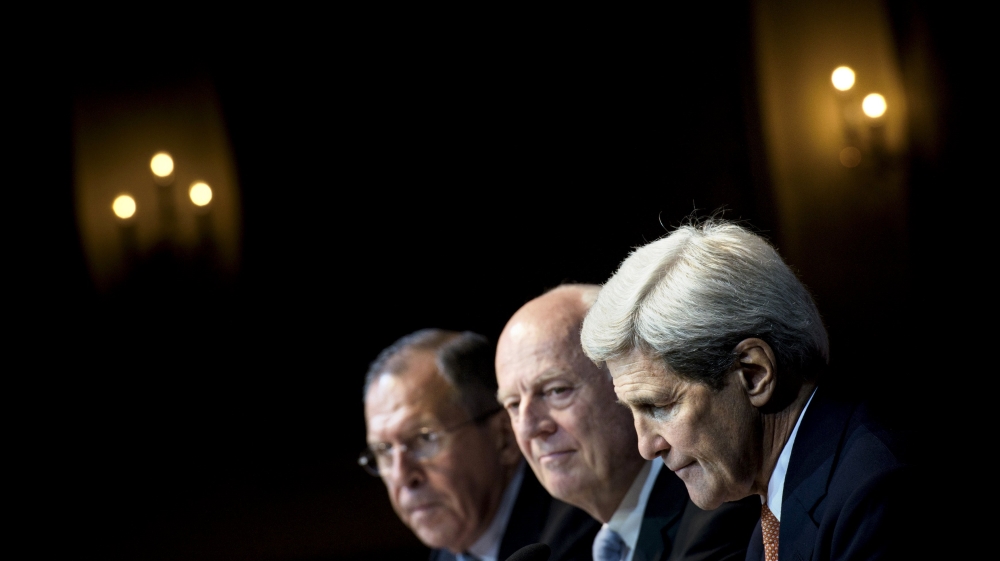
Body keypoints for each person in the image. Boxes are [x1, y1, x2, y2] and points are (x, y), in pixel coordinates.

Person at [579, 219, 917, 560]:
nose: (646, 447)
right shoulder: (777, 506)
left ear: (754, 374)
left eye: (660, 406)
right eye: (632, 410)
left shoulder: (876, 496)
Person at [496, 284, 759, 561]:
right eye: (513, 404)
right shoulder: (567, 544)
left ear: (625, 382)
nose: (529, 428)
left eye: (556, 391)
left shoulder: (715, 511)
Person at [362, 329, 599, 561]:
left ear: (504, 437)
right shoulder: (446, 556)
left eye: (424, 439)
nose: (402, 475)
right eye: (384, 450)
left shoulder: (574, 538)